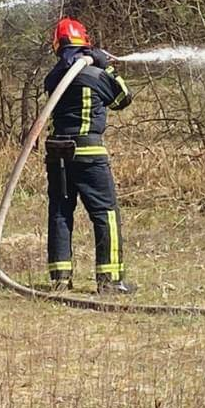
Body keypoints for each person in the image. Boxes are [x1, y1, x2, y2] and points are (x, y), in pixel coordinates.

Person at [43, 16, 135, 294]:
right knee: (105, 213)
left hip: (57, 154)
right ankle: (110, 281)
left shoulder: (54, 77)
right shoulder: (94, 75)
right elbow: (123, 98)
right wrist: (107, 66)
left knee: (60, 213)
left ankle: (60, 279)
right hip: (88, 154)